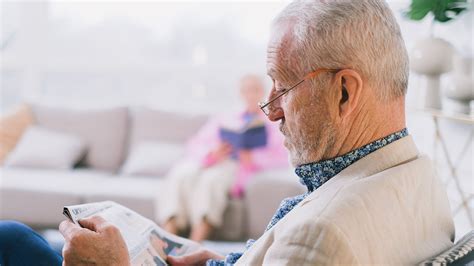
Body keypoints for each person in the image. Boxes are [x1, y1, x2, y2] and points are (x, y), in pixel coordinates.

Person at [0, 0, 455, 265]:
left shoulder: (319, 240)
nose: (271, 109)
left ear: (344, 92)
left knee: (15, 241)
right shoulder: (419, 176)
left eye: (284, 84)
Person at [158, 74, 288, 242]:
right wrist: (212, 153)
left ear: (262, 92)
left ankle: (194, 243)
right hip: (212, 160)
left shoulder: (271, 122)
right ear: (241, 93)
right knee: (181, 175)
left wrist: (253, 158)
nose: (250, 94)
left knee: (211, 182)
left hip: (235, 166)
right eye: (246, 90)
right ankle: (167, 239)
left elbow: (283, 156)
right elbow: (195, 143)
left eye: (255, 90)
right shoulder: (225, 118)